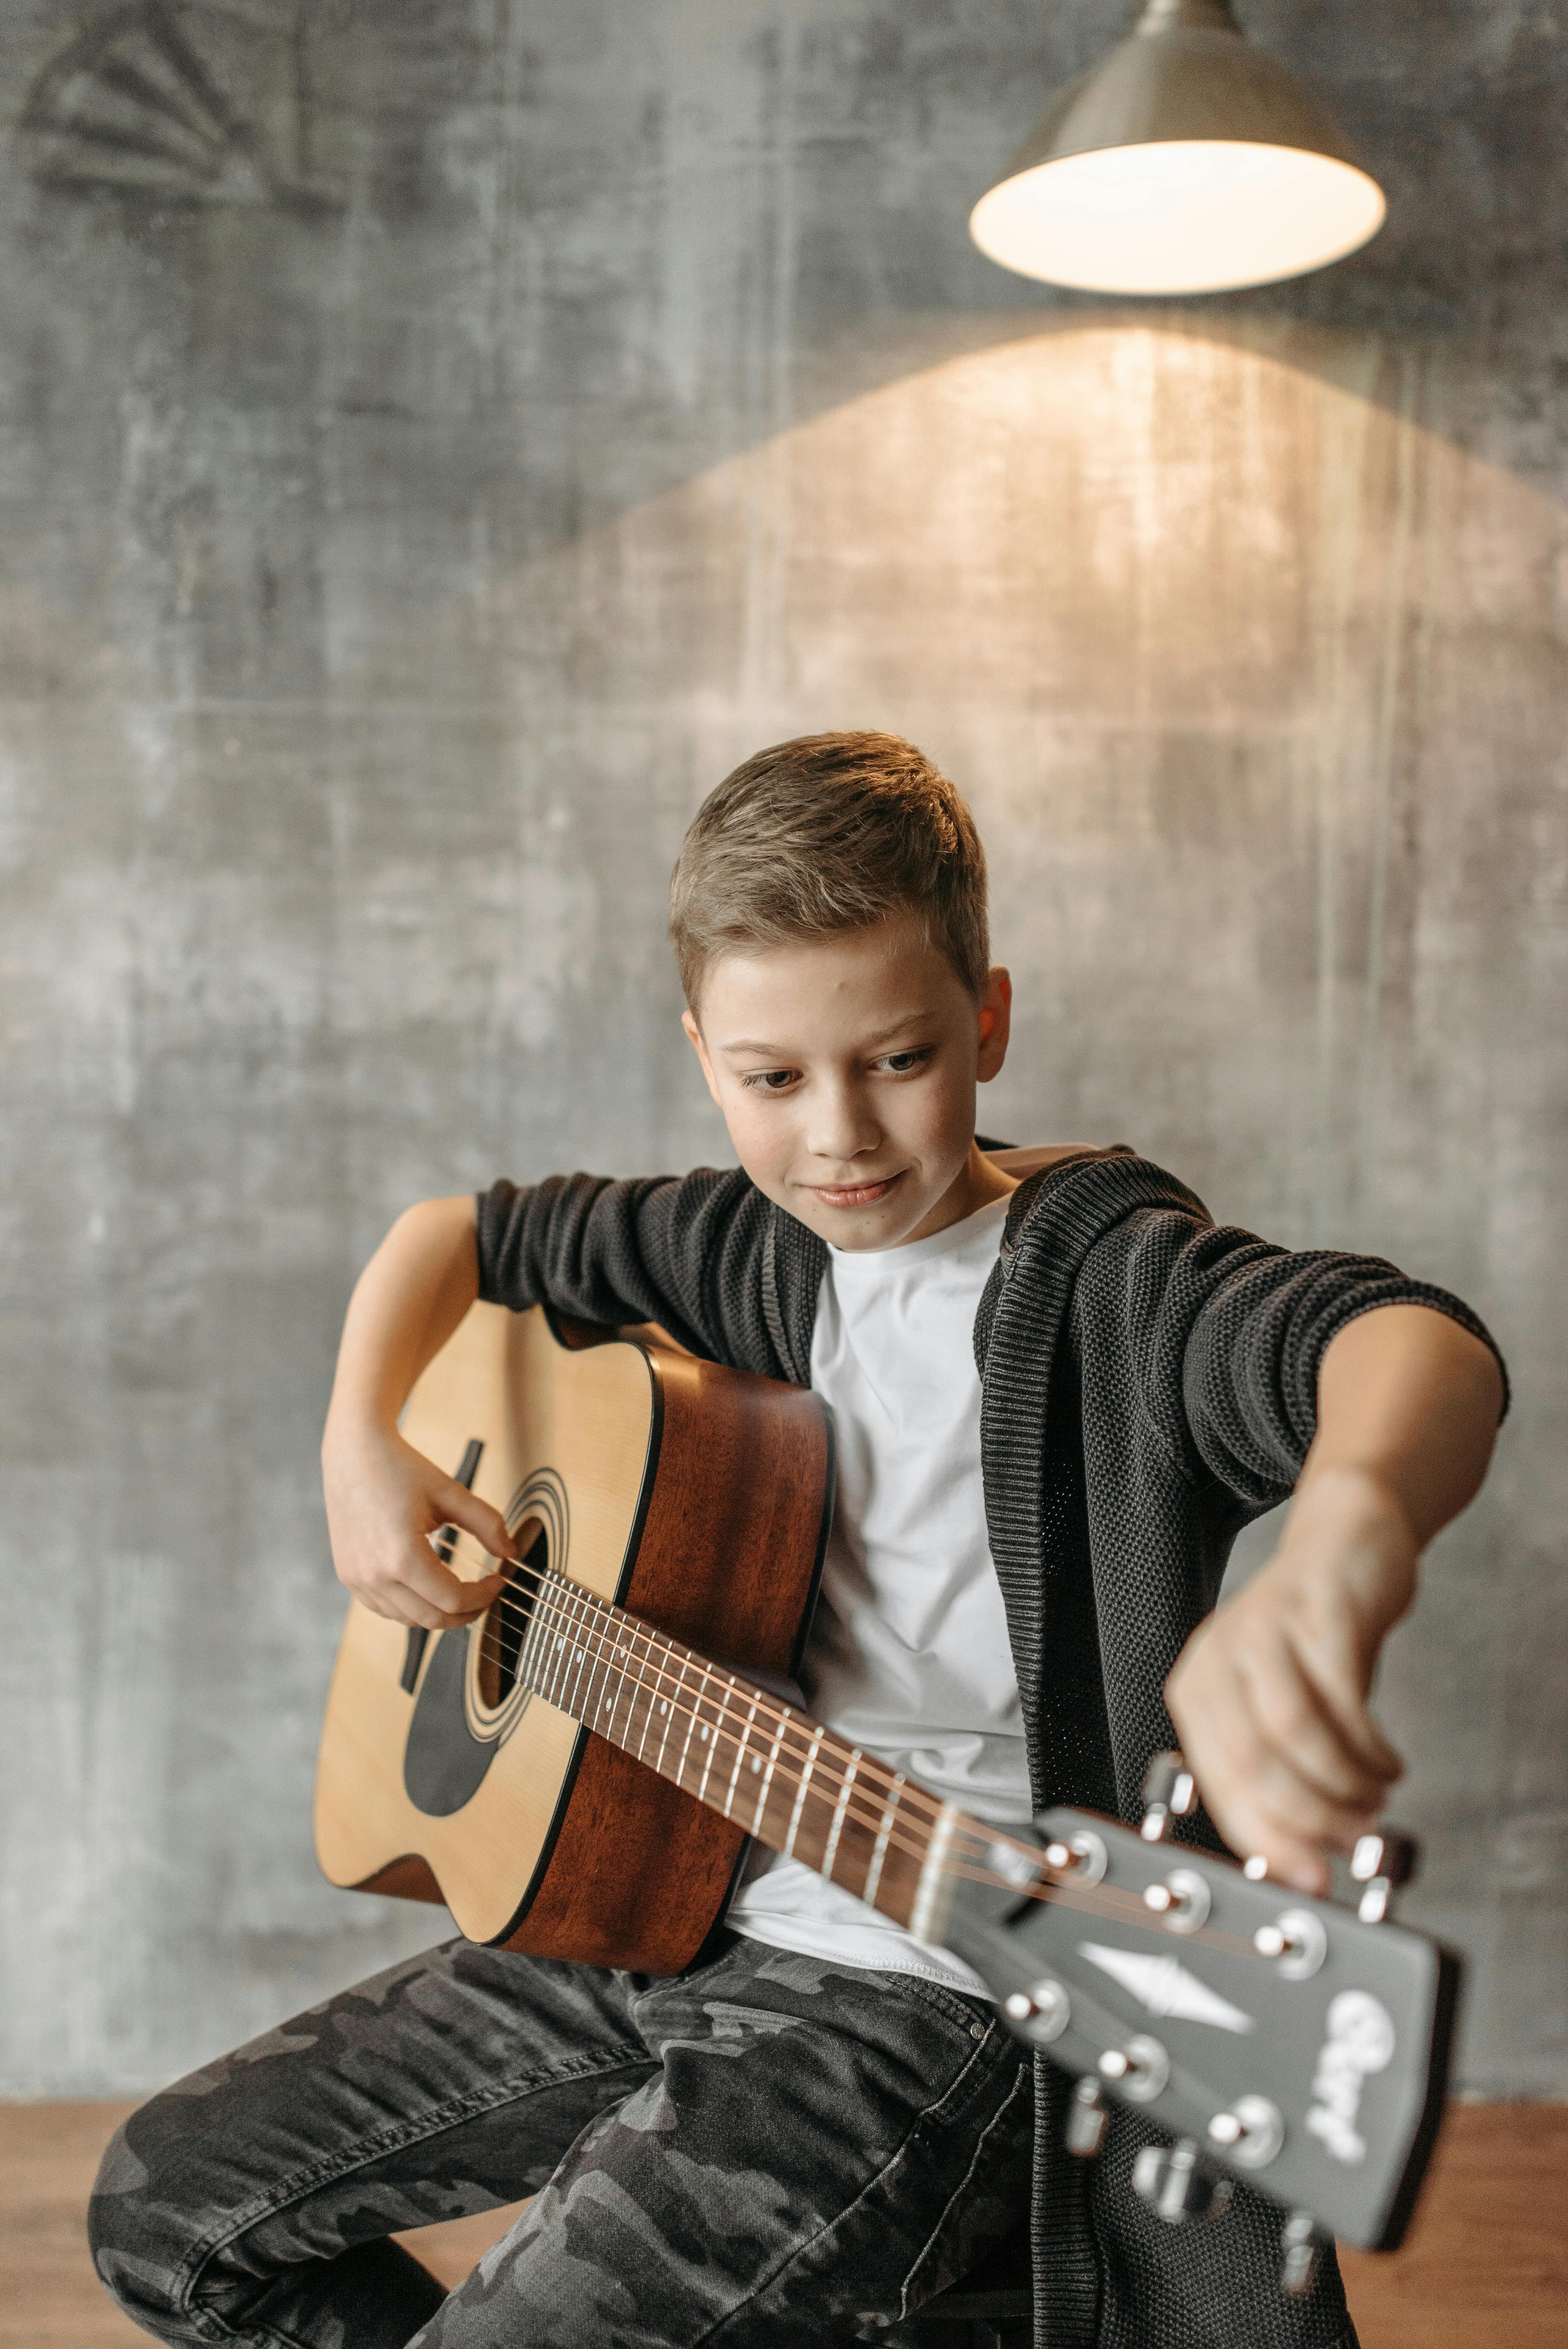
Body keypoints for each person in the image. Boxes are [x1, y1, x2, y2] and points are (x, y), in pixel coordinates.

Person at [91, 732, 1506, 2349]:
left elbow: (1409, 1344)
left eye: (897, 1059)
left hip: (931, 1990)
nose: (836, 1135)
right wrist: (362, 1442)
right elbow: (460, 1234)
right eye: (772, 1079)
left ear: (989, 1018)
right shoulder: (746, 1244)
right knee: (163, 2210)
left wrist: (1346, 1537)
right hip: (668, 1910)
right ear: (705, 1052)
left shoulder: (1111, 1288)